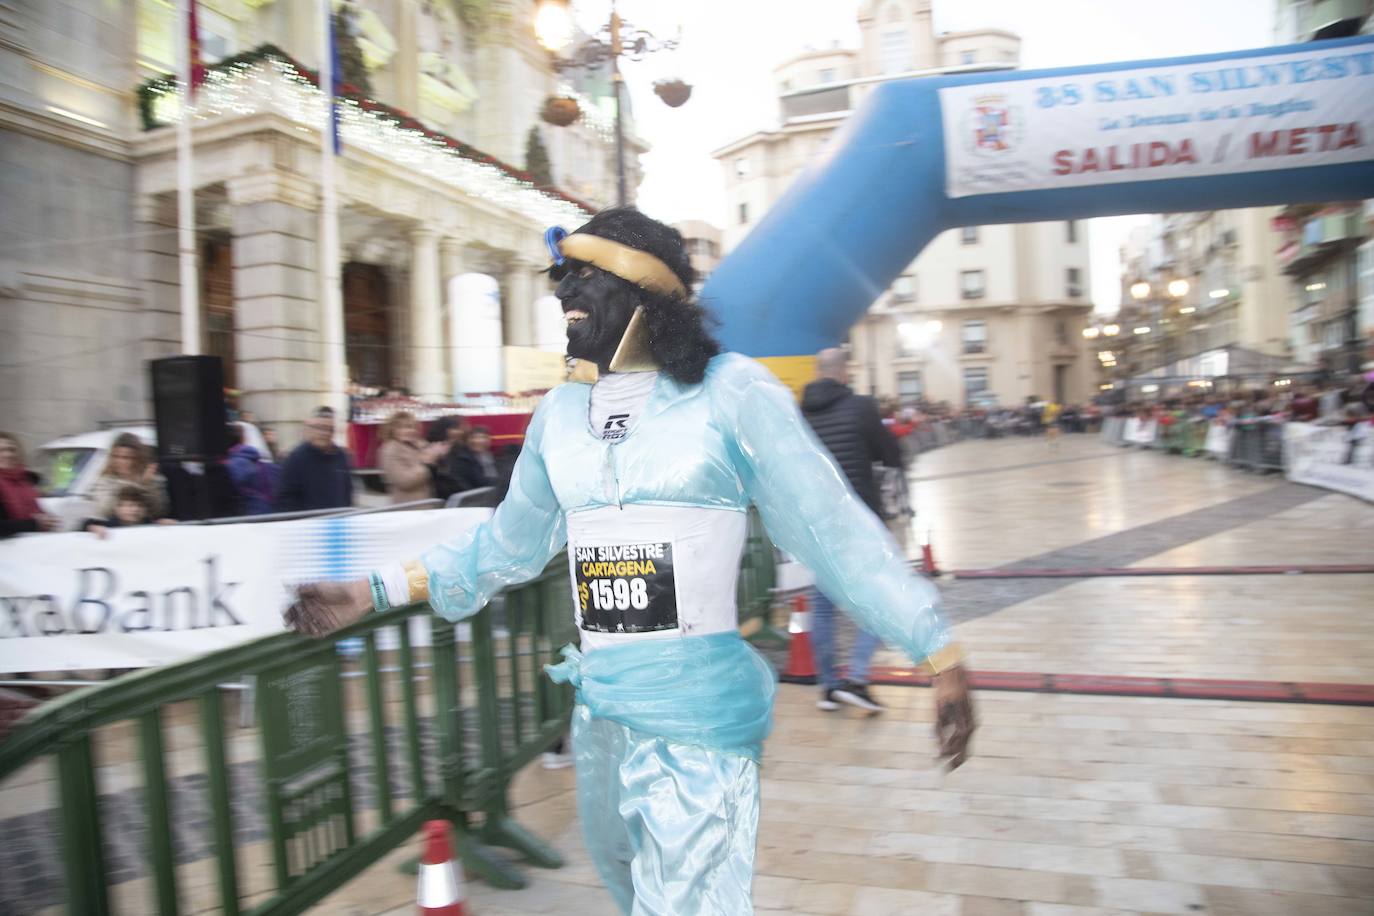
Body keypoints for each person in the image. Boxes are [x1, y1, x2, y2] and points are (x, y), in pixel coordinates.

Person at [283, 208, 974, 915]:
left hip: (699, 720)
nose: (562, 294)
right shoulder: (558, 414)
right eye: (561, 279)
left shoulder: (732, 392)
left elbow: (832, 529)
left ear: (648, 292)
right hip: (602, 714)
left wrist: (935, 649)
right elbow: (505, 545)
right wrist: (372, 589)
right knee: (627, 887)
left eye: (584, 276)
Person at [801, 347, 904, 715]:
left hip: (821, 523)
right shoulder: (861, 407)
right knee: (882, 600)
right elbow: (891, 453)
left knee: (824, 608)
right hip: (859, 522)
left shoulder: (801, 414)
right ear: (843, 372)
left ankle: (828, 687)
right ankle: (857, 679)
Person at [275, 407, 354, 512]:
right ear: (310, 428)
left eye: (329, 429)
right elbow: (284, 498)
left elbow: (347, 491)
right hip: (309, 524)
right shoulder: (296, 458)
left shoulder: (341, 456)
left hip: (338, 520)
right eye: (319, 427)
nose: (324, 433)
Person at [90, 432, 167, 521]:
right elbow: (107, 509)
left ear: (138, 458)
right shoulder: (106, 480)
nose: (121, 462)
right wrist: (141, 486)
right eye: (116, 457)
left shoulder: (152, 478)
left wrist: (148, 485)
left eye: (127, 458)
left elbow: (159, 510)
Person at [377, 411, 443, 504]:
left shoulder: (419, 444)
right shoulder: (390, 449)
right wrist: (425, 463)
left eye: (412, 427)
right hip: (410, 507)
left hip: (428, 503)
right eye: (402, 428)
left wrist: (438, 455)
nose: (409, 431)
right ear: (392, 430)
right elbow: (405, 482)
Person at [0, 432, 56, 538]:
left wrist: (46, 518)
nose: (8, 454)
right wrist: (34, 524)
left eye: (12, 449)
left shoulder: (26, 479)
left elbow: (35, 510)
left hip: (29, 545)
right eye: (1, 450)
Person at [225, 424, 280, 515]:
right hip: (269, 515)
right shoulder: (264, 463)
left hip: (246, 519)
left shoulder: (228, 466)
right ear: (243, 439)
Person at [83, 484, 159, 538]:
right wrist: (94, 528)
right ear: (117, 509)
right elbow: (86, 524)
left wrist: (166, 525)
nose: (135, 509)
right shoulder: (110, 525)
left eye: (140, 506)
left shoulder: (149, 525)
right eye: (130, 505)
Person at [449, 425, 501, 494]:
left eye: (483, 437)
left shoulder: (492, 457)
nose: (479, 441)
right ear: (467, 441)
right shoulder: (463, 460)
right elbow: (479, 481)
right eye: (475, 438)